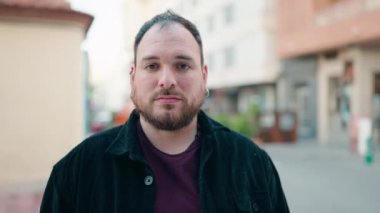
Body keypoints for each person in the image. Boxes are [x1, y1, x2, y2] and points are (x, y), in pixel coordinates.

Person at [40, 10, 289, 213]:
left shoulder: (251, 162)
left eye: (182, 65)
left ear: (203, 77)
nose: (167, 80)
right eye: (152, 66)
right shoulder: (78, 170)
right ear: (133, 77)